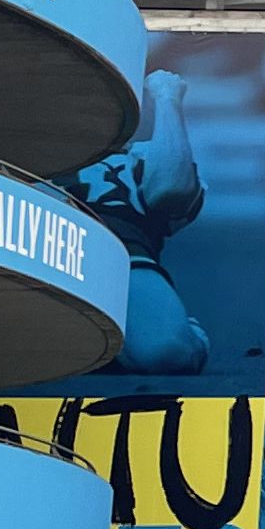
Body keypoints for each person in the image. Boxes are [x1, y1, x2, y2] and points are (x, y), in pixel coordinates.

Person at [72, 67, 214, 377]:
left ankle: (150, 331)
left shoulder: (141, 159)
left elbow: (171, 192)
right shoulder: (21, 148)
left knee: (166, 352)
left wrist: (167, 98)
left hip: (119, 259)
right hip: (30, 261)